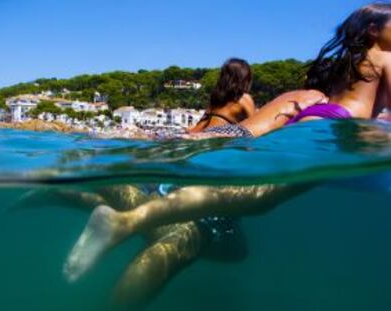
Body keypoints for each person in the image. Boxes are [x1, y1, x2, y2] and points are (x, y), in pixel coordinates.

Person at [64, 2, 391, 290]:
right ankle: (125, 222)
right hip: (335, 127)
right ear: (375, 29)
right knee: (257, 199)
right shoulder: (386, 57)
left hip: (317, 119)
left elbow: (246, 131)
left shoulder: (348, 65)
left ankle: (124, 218)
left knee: (252, 194)